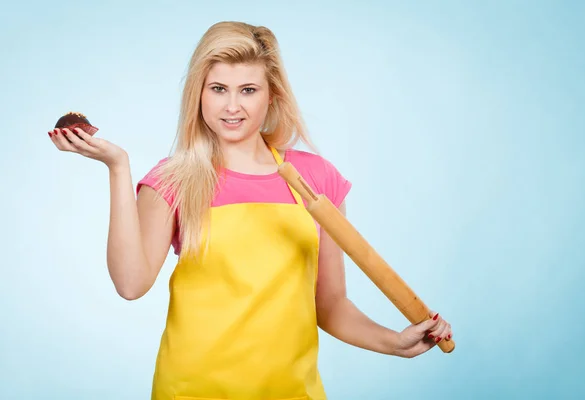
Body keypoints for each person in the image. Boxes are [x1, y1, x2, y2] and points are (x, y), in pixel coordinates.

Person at [48, 21, 453, 400]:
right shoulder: (174, 179)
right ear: (199, 93)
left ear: (272, 94)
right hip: (192, 389)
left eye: (248, 90)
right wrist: (118, 167)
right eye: (218, 88)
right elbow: (130, 284)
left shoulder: (316, 178)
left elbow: (329, 306)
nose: (231, 106)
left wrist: (394, 342)